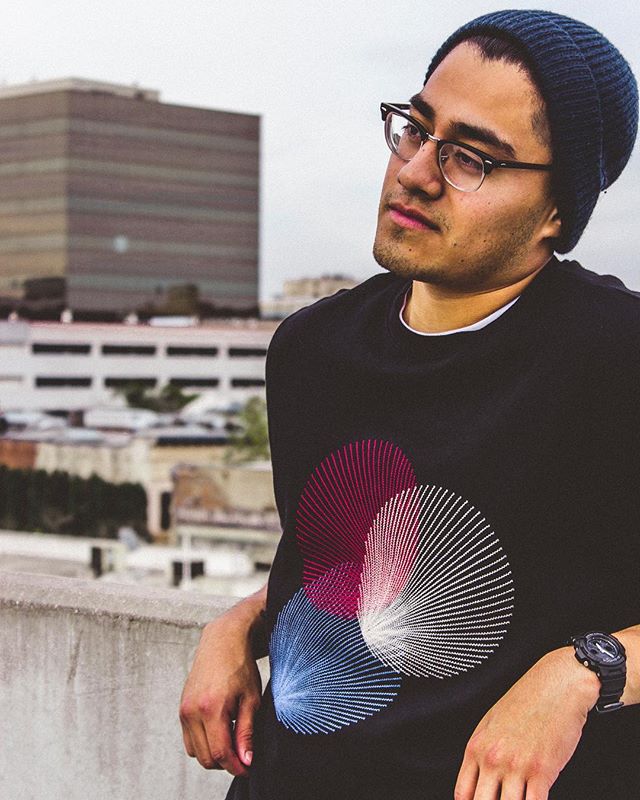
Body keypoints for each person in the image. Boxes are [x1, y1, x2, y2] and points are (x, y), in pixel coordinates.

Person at [180, 10, 640, 799]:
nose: (417, 172)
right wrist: (237, 623)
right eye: (414, 130)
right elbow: (355, 570)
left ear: (559, 209)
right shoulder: (311, 347)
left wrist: (585, 671)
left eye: (471, 158)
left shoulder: (616, 356)